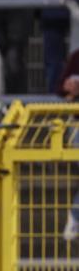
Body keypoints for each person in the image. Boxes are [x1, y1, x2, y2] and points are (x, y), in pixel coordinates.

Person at [40, 0, 79, 93]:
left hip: (75, 3)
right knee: (53, 61)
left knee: (75, 57)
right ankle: (54, 100)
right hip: (51, 3)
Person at [55, 49, 79, 241]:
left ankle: (76, 216)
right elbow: (60, 88)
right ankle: (76, 218)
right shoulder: (76, 56)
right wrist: (68, 88)